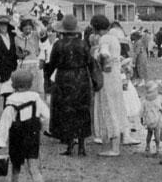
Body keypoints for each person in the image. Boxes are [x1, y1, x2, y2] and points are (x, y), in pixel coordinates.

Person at [0, 69, 50, 182]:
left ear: (14, 85)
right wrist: (42, 125)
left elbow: (5, 123)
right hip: (33, 134)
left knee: (16, 167)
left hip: (17, 136)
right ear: (30, 84)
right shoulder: (36, 98)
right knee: (34, 166)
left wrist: (0, 141)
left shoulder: (11, 102)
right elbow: (46, 114)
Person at [44, 14, 93, 156]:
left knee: (66, 111)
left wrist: (47, 77)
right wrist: (94, 81)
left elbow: (52, 63)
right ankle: (82, 146)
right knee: (81, 110)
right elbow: (90, 62)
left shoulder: (59, 44)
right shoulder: (83, 43)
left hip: (64, 78)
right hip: (81, 77)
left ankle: (70, 145)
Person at [91, 14, 128, 156]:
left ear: (95, 28)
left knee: (108, 106)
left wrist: (100, 59)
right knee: (116, 106)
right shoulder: (114, 37)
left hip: (107, 75)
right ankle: (116, 143)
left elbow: (105, 54)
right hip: (116, 75)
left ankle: (114, 148)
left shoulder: (104, 39)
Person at [0, 16, 19, 109]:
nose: (3, 27)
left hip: (14, 67)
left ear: (8, 26)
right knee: (7, 94)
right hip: (2, 68)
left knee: (15, 92)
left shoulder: (13, 36)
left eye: (5, 25)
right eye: (1, 25)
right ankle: (6, 115)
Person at [15, 16, 44, 98]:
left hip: (34, 66)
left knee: (34, 90)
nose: (28, 30)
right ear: (22, 28)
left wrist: (37, 21)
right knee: (23, 90)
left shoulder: (35, 35)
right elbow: (17, 53)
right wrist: (21, 54)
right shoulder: (17, 38)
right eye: (26, 29)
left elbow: (44, 31)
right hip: (22, 66)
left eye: (29, 28)